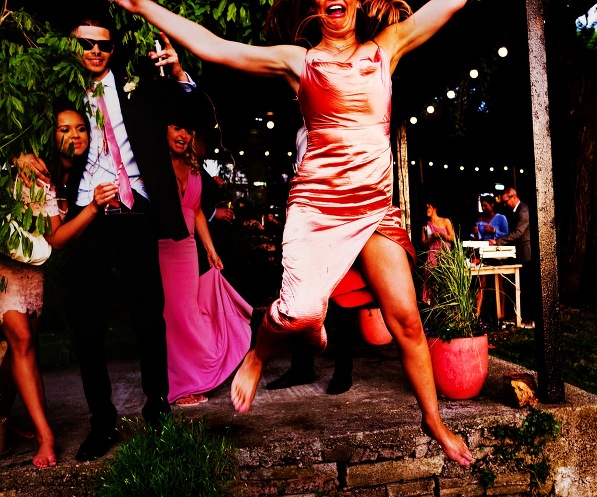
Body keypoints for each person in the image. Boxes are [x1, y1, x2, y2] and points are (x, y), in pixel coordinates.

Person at [109, 0, 474, 468]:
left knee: (406, 319)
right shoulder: (300, 62)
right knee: (299, 314)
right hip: (318, 206)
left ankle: (434, 421)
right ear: (318, 7)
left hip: (373, 208)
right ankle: (258, 355)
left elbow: (446, 5)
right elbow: (216, 46)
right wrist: (143, 5)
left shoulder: (387, 47)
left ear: (359, 1)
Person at [17, 18, 197, 461]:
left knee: (148, 318)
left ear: (113, 49)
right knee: (88, 326)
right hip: (84, 212)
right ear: (73, 45)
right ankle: (102, 422)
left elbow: (190, 112)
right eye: (86, 44)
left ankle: (158, 411)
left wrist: (177, 72)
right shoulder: (61, 90)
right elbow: (33, 132)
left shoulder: (138, 82)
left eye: (103, 45)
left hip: (134, 205)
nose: (94, 51)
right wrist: (22, 153)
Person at [1, 108, 118, 467]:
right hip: (6, 266)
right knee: (20, 342)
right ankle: (46, 435)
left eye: (81, 128)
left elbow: (52, 239)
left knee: (20, 347)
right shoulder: (31, 163)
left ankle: (10, 419)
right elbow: (56, 237)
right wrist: (17, 156)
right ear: (50, 135)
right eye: (64, 129)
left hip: (28, 266)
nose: (75, 135)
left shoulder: (68, 174)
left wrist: (93, 207)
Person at [160, 116, 252, 406]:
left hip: (188, 250)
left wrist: (210, 249)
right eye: (176, 127)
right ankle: (180, 384)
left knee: (189, 314)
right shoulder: (154, 167)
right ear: (163, 131)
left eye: (188, 129)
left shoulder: (195, 168)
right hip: (163, 249)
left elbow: (197, 211)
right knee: (174, 318)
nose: (183, 135)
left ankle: (195, 375)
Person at [496, 184, 532, 326]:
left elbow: (518, 233)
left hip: (527, 253)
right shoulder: (515, 211)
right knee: (519, 286)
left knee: (527, 287)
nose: (505, 204)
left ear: (514, 196)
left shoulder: (523, 211)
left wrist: (499, 241)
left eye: (506, 201)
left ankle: (530, 318)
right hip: (521, 252)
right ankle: (518, 315)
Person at [472, 193, 508, 320]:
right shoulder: (480, 219)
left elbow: (507, 234)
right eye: (482, 206)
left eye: (486, 205)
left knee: (500, 283)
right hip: (483, 252)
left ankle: (501, 314)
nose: (484, 208)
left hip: (497, 253)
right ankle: (477, 314)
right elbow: (477, 239)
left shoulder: (501, 218)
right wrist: (476, 233)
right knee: (481, 283)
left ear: (492, 205)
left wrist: (494, 231)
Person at [420, 199, 454, 303]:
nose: (427, 210)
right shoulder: (426, 226)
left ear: (434, 207)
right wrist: (431, 239)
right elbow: (424, 242)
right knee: (432, 281)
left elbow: (453, 238)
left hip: (444, 255)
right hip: (432, 256)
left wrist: (442, 235)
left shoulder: (445, 221)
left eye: (428, 207)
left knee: (445, 282)